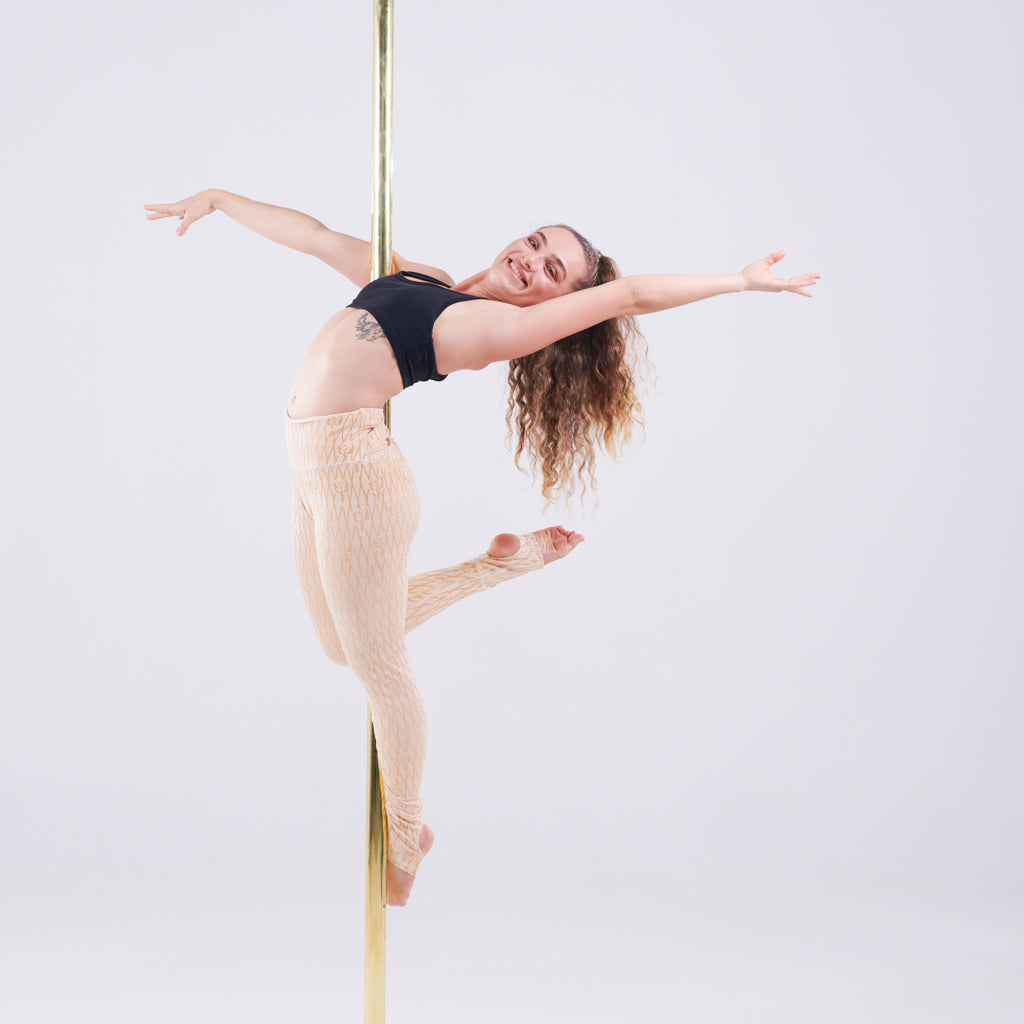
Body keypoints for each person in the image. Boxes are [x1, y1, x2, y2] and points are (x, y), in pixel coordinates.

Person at [144, 189, 821, 906]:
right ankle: (498, 566)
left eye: (554, 270)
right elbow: (314, 235)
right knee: (340, 646)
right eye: (534, 242)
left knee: (380, 668)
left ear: (556, 302)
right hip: (306, 464)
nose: (531, 261)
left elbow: (633, 293)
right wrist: (219, 200)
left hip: (357, 478)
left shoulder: (499, 328)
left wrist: (741, 281)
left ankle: (408, 834)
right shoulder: (423, 277)